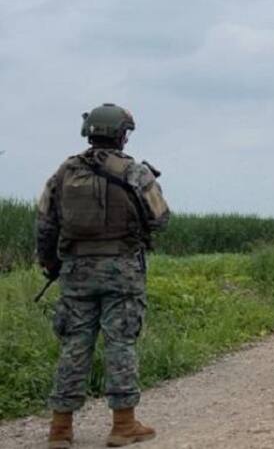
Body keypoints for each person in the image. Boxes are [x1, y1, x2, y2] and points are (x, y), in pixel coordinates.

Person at [36, 103, 170, 448]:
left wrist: (51, 264)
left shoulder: (65, 172)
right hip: (122, 272)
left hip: (76, 273)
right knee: (121, 342)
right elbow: (160, 218)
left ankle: (60, 428)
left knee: (74, 346)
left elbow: (45, 224)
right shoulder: (134, 172)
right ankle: (123, 424)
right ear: (122, 135)